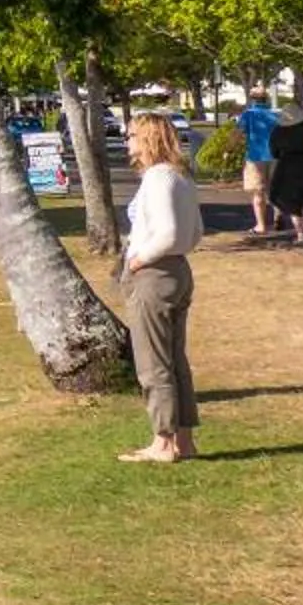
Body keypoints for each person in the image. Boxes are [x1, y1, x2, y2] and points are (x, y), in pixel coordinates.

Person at [118, 114, 202, 463]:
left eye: (131, 134)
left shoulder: (157, 177)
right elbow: (195, 233)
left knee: (153, 362)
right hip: (178, 271)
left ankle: (163, 442)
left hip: (155, 274)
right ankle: (184, 440)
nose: (126, 140)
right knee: (174, 359)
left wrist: (139, 260)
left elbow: (167, 233)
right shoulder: (180, 176)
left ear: (148, 137)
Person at [267, 112, 303, 246]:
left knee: (287, 197)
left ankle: (294, 228)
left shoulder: (278, 130)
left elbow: (274, 152)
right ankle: (302, 234)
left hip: (286, 165)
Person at [237, 90, 279, 232]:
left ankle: (261, 225)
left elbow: (238, 133)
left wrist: (229, 149)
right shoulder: (275, 115)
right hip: (275, 156)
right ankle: (277, 216)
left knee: (258, 191)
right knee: (274, 189)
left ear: (252, 99)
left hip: (255, 157)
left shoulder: (248, 115)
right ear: (266, 99)